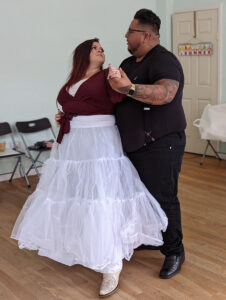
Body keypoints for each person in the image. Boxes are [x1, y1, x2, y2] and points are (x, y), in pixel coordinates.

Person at [11, 38, 168, 298]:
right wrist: (63, 116)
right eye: (95, 47)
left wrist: (120, 81)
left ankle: (111, 264)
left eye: (101, 48)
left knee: (102, 196)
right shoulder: (72, 80)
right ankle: (85, 245)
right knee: (76, 195)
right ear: (83, 54)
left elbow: (123, 92)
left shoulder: (109, 74)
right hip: (73, 141)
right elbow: (70, 105)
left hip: (100, 140)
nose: (101, 50)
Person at [108, 9, 186, 279]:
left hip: (161, 144)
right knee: (138, 197)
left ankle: (174, 250)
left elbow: (166, 94)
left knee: (163, 198)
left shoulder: (164, 60)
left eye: (130, 31)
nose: (126, 36)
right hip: (133, 145)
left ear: (146, 35)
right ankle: (149, 238)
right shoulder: (128, 63)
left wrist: (128, 88)